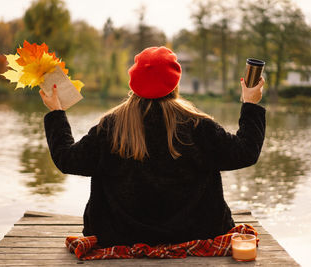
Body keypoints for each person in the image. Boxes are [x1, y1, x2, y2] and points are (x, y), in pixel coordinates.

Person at [39, 46, 266, 248]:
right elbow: (246, 151)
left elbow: (67, 159)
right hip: (195, 233)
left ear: (134, 82)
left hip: (119, 236)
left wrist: (57, 113)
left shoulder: (111, 127)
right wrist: (250, 104)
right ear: (174, 83)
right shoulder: (197, 126)